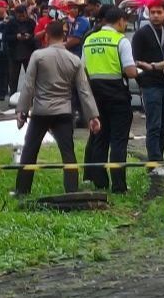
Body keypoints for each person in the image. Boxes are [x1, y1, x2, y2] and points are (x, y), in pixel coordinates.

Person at [15, 22, 101, 195]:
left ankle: (22, 190)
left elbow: (28, 86)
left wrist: (22, 111)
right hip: (64, 111)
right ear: (65, 37)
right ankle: (71, 189)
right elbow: (84, 90)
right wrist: (93, 116)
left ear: (46, 36)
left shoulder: (38, 56)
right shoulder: (74, 60)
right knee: (68, 152)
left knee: (30, 150)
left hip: (41, 111)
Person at [82, 7, 138, 193]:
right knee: (118, 142)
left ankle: (100, 183)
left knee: (99, 140)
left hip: (95, 96)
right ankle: (119, 185)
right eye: (125, 22)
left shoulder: (89, 40)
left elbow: (83, 69)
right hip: (117, 96)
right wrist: (137, 70)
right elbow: (130, 72)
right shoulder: (120, 41)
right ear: (120, 20)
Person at [132, 0, 164, 166]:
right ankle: (154, 161)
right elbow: (135, 60)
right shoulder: (141, 34)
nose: (155, 16)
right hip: (151, 85)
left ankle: (160, 157)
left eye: (159, 12)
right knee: (153, 125)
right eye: (152, 12)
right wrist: (142, 82)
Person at [3, 5, 36, 94]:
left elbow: (36, 36)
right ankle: (12, 95)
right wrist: (16, 37)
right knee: (13, 77)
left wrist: (29, 37)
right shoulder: (11, 23)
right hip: (14, 53)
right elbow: (6, 37)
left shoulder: (31, 22)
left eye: (23, 15)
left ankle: (31, 96)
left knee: (30, 76)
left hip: (28, 53)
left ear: (26, 13)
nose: (21, 17)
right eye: (19, 16)